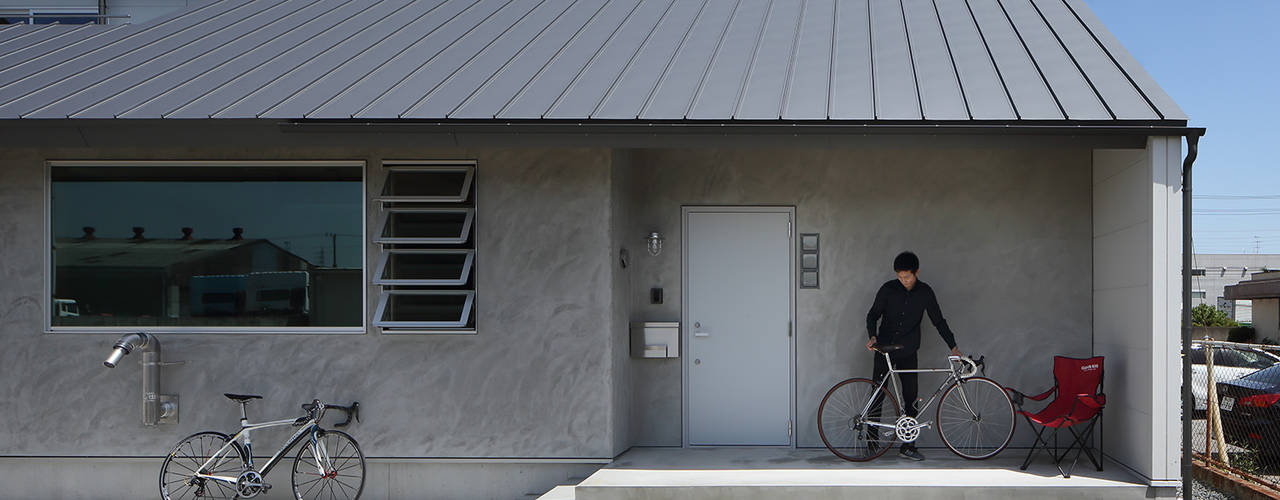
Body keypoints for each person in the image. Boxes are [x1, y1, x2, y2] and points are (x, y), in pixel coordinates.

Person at [865, 251, 962, 461]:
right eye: (900, 277)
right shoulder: (888, 289)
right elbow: (873, 315)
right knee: (877, 394)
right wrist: (872, 336)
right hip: (884, 349)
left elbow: (939, 321)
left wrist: (953, 346)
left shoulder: (925, 292)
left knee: (911, 398)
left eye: (907, 277)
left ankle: (908, 446)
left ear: (916, 272)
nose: (903, 280)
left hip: (908, 351)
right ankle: (871, 444)